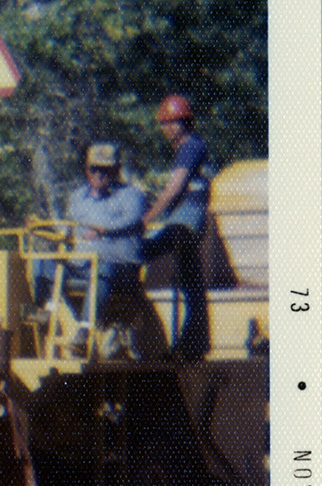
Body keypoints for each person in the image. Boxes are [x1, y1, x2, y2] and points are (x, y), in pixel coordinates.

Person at [139, 93, 213, 360]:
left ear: (187, 122)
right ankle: (192, 345)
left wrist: (145, 219)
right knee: (191, 283)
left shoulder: (189, 147)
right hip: (185, 220)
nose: (169, 127)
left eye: (175, 122)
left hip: (185, 222)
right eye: (165, 122)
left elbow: (174, 189)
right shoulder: (191, 146)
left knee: (142, 252)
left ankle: (191, 346)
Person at [34, 143, 146, 316]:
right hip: (83, 265)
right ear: (86, 170)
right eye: (94, 169)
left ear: (116, 170)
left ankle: (86, 329)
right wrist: (42, 227)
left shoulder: (132, 195)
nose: (98, 174)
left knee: (102, 269)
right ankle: (47, 313)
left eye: (105, 169)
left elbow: (131, 222)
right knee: (41, 263)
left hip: (120, 269)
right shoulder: (79, 197)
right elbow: (71, 230)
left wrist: (102, 230)